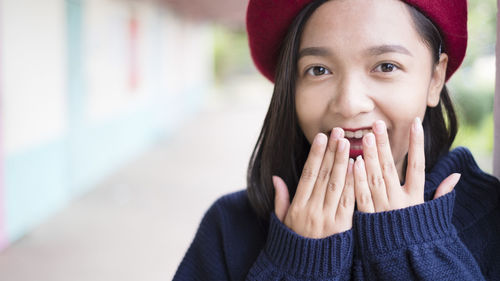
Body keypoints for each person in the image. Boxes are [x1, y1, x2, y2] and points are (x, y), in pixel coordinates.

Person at [173, 0, 500, 280]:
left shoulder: (489, 215)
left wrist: (414, 252)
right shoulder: (230, 227)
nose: (348, 103)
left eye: (386, 66)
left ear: (434, 78)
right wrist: (299, 264)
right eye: (318, 70)